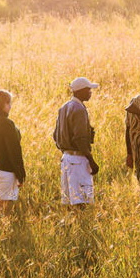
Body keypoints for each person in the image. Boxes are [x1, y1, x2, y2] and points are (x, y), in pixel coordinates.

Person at [53, 77, 99, 209]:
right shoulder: (79, 109)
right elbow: (80, 139)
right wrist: (91, 161)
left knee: (69, 201)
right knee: (81, 201)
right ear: (81, 91)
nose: (90, 92)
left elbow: (55, 135)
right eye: (88, 90)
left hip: (66, 158)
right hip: (78, 159)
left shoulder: (64, 107)